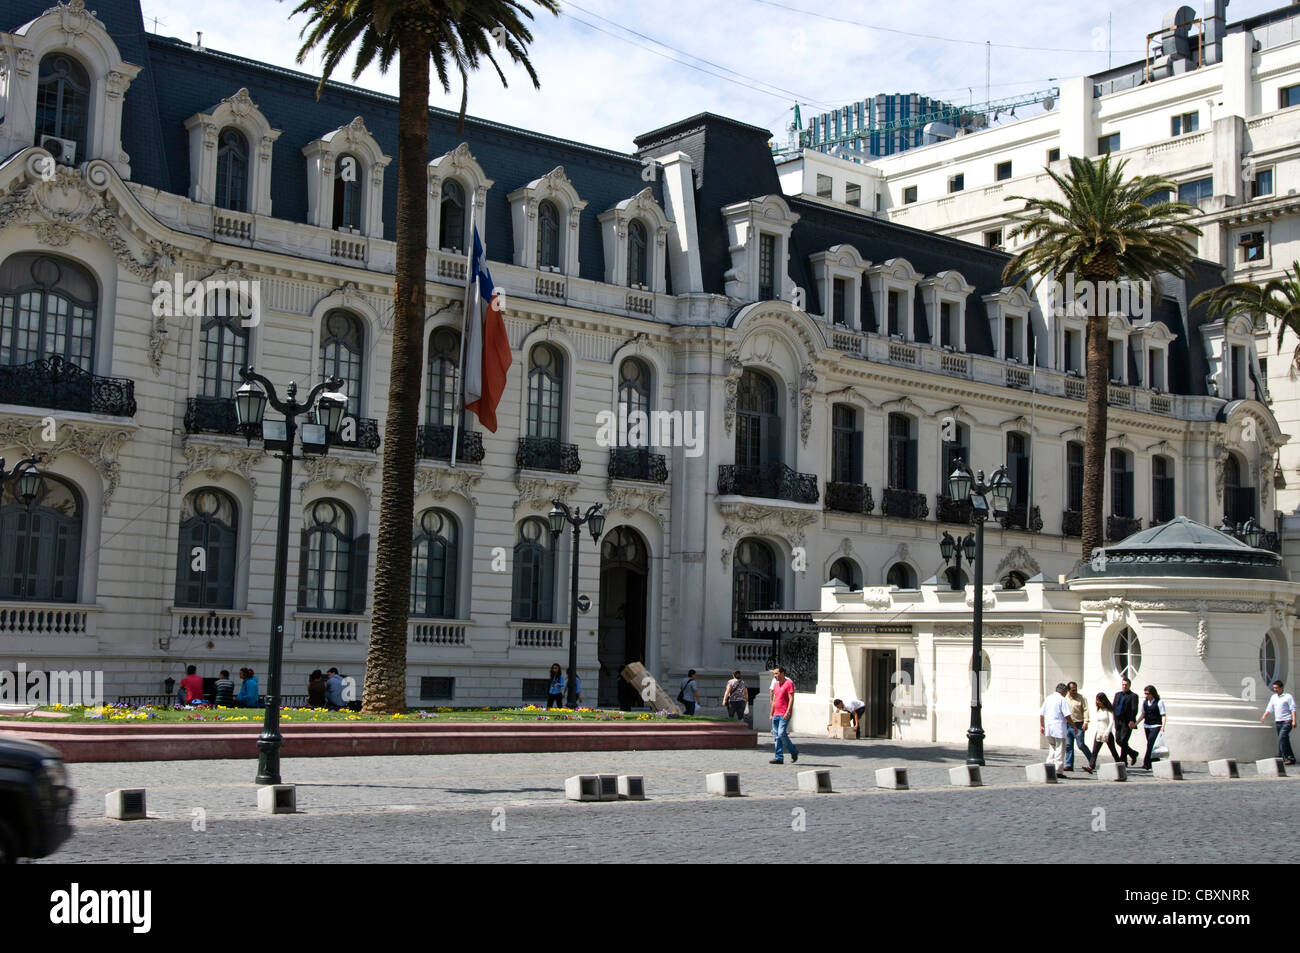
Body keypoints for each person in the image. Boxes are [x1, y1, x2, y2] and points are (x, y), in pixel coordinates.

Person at [1260, 679, 1296, 765]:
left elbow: (1293, 709)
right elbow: (1270, 707)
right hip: (1278, 722)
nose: (1275, 689)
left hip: (1287, 721)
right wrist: (1264, 715)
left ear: (1281, 688)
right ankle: (1288, 758)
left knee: (1282, 738)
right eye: (1274, 688)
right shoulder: (1273, 697)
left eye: (1276, 688)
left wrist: (1294, 721)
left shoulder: (1288, 697)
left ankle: (1284, 757)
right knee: (1284, 739)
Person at [1039, 682, 1071, 775]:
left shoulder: (1048, 698)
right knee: (1060, 748)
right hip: (1059, 728)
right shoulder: (1062, 699)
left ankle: (1049, 767)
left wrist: (1042, 725)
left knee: (1052, 748)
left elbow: (1041, 714)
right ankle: (1058, 770)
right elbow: (1067, 715)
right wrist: (1073, 726)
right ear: (1064, 691)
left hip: (1049, 727)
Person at [769, 666, 799, 765]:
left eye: (776, 673)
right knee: (776, 736)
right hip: (776, 714)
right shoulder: (776, 685)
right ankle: (779, 757)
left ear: (782, 673)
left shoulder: (789, 683)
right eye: (774, 674)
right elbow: (774, 700)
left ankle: (793, 751)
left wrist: (788, 711)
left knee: (781, 733)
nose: (775, 676)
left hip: (784, 713)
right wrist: (771, 713)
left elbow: (791, 698)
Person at [1134, 684, 1167, 769]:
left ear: (1153, 693)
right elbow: (1143, 714)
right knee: (1152, 745)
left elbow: (1163, 715)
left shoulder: (1159, 702)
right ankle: (1155, 761)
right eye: (1145, 693)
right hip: (1147, 725)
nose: (1146, 695)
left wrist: (1163, 726)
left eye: (1148, 693)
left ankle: (1147, 763)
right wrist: (1136, 723)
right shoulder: (1145, 702)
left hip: (1156, 725)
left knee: (1150, 743)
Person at [1087, 692, 1122, 771]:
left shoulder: (1108, 710)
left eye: (1099, 700)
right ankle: (1091, 766)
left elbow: (1111, 722)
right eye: (1097, 701)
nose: (1097, 702)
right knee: (1095, 751)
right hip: (1099, 732)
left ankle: (1120, 764)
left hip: (1107, 733)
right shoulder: (1099, 710)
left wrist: (1107, 732)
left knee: (1113, 751)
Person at [1112, 677, 1141, 766]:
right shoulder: (1117, 694)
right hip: (1118, 721)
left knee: (1123, 740)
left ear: (1129, 686)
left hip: (1127, 722)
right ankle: (1133, 753)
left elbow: (1134, 709)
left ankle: (1123, 760)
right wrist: (1114, 719)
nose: (1124, 686)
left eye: (1126, 685)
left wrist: (1132, 720)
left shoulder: (1133, 696)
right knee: (1118, 740)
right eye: (1123, 684)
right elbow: (1114, 707)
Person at [1063, 681, 1090, 772]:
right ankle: (1069, 764)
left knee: (1081, 745)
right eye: (1073, 690)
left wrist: (1086, 722)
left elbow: (1086, 710)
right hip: (1067, 725)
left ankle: (1092, 761)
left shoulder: (1081, 698)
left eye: (1076, 690)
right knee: (1068, 745)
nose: (1075, 692)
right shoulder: (1065, 699)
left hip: (1078, 724)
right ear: (1068, 690)